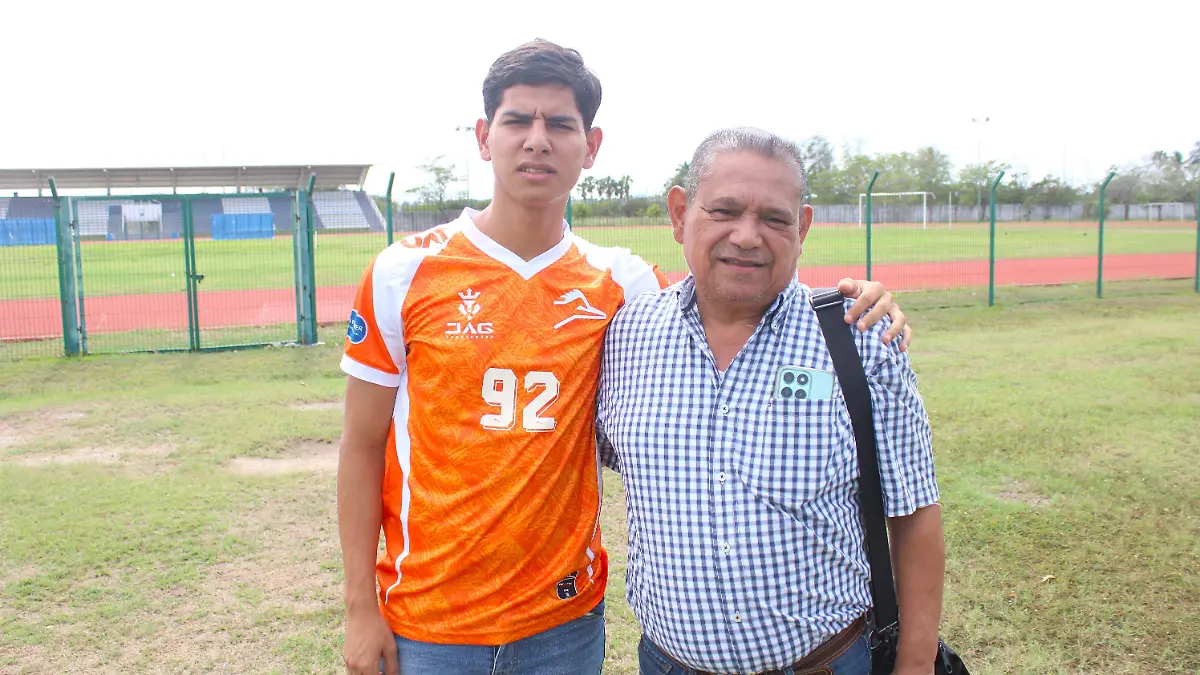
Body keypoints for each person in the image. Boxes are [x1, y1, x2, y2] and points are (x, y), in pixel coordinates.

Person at [337, 41, 912, 675]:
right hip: (428, 623)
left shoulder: (623, 286)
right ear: (482, 136)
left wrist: (852, 300)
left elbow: (731, 293)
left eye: (560, 124)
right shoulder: (404, 271)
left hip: (564, 624)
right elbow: (361, 446)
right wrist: (360, 606)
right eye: (517, 120)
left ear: (591, 146)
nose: (538, 140)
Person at [596, 127, 946, 675]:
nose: (747, 236)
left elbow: (915, 512)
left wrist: (916, 662)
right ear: (680, 211)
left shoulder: (859, 339)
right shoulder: (624, 337)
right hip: (667, 663)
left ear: (802, 228)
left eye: (774, 219)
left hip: (829, 661)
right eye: (725, 210)